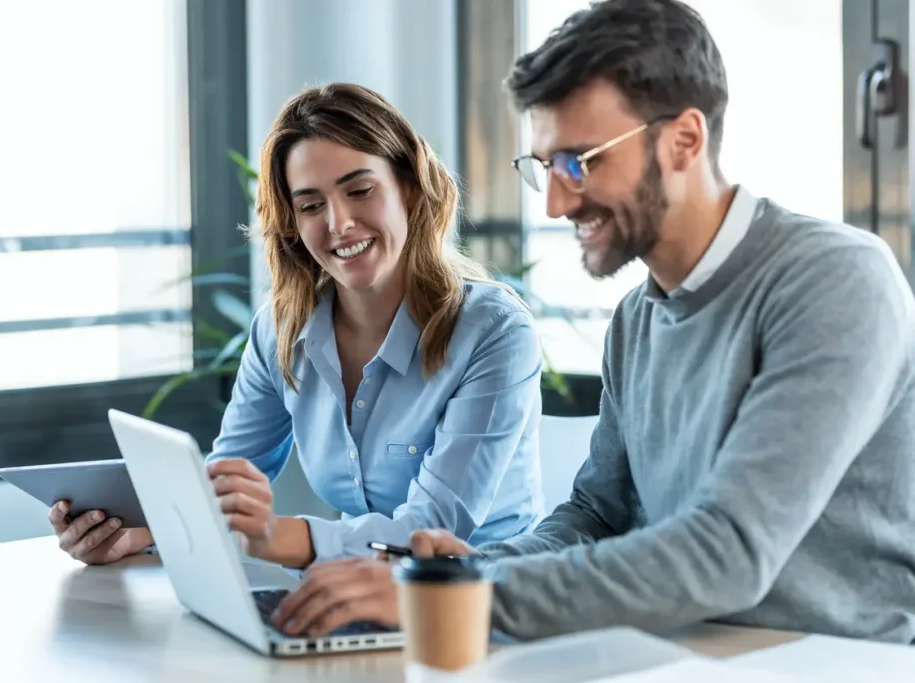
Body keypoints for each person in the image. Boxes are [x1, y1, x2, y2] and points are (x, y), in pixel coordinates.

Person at [270, 0, 915, 644]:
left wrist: (471, 597)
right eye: (546, 166)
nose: (556, 202)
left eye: (582, 161)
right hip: (681, 651)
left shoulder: (835, 281)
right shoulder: (638, 318)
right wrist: (465, 570)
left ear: (685, 140)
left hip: (831, 660)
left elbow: (728, 553)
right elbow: (595, 515)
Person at [48, 83, 546, 571]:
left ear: (410, 189)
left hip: (482, 600)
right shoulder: (283, 331)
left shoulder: (494, 332)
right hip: (352, 594)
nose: (339, 223)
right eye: (311, 205)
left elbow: (432, 530)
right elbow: (229, 484)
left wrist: (276, 536)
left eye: (360, 190)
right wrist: (137, 533)